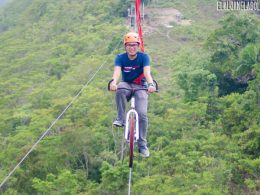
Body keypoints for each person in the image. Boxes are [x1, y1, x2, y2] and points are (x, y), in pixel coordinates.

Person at [109, 32, 156, 157]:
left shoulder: (144, 57)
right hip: (127, 85)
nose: (132, 48)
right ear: (125, 46)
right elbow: (117, 72)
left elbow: (147, 73)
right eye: (129, 45)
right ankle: (121, 119)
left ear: (138, 45)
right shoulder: (120, 57)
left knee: (142, 114)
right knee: (120, 89)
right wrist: (113, 82)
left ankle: (142, 145)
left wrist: (151, 84)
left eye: (134, 45)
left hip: (141, 86)